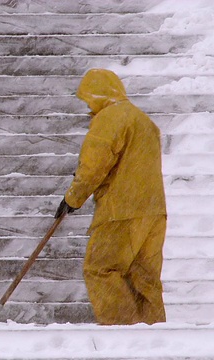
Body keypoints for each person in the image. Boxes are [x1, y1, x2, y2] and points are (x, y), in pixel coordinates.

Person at [54, 68, 167, 325]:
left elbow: (93, 166)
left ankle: (122, 335)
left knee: (101, 269)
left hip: (121, 210)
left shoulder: (109, 118)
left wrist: (73, 198)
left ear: (98, 94)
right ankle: (154, 337)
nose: (88, 107)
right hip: (154, 211)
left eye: (88, 99)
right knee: (145, 279)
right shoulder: (144, 120)